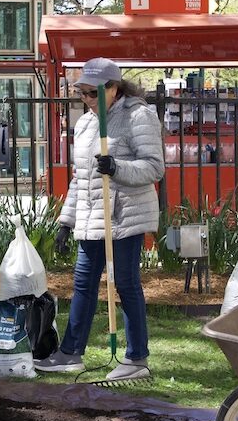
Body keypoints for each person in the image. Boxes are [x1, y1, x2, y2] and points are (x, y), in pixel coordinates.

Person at [35, 58, 165, 381]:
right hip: (92, 218)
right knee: (82, 283)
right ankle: (70, 353)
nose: (87, 100)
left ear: (113, 88)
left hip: (125, 215)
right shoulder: (85, 124)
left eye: (93, 94)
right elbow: (81, 179)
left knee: (126, 283)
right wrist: (67, 221)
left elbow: (154, 166)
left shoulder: (139, 115)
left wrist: (117, 168)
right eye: (83, 93)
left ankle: (137, 358)